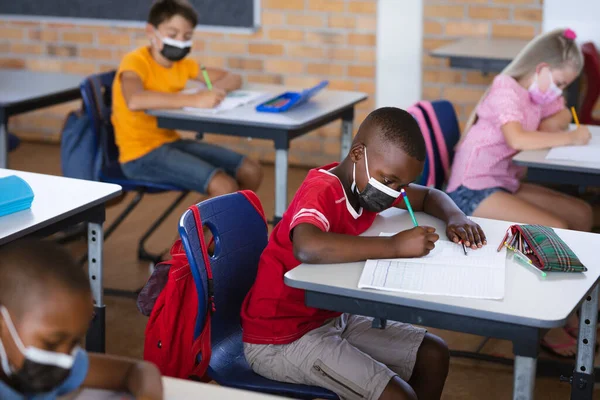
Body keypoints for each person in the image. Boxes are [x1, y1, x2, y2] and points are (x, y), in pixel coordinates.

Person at [241, 107, 487, 400]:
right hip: (282, 337)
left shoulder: (368, 182)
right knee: (399, 397)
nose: (396, 193)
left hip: (331, 318)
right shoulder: (321, 190)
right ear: (358, 153)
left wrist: (456, 217)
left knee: (433, 355)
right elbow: (307, 246)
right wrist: (395, 247)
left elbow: (430, 196)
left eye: (403, 185)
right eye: (391, 181)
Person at [446, 28, 593, 357]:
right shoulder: (506, 89)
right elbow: (518, 140)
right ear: (541, 69)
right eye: (560, 82)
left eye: (566, 86)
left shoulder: (536, 93)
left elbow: (555, 121)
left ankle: (570, 307)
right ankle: (549, 323)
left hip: (503, 182)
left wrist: (551, 106)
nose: (561, 90)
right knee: (561, 230)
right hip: (471, 189)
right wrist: (569, 138)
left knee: (582, 214)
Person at [112, 0, 263, 197]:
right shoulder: (135, 62)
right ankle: (211, 227)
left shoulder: (184, 65)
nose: (180, 41)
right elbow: (134, 100)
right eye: (173, 34)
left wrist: (216, 91)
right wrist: (196, 99)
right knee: (224, 186)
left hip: (170, 142)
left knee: (251, 170)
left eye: (187, 36)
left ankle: (229, 224)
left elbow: (233, 77)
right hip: (139, 155)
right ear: (151, 32)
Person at [0, 240, 163, 400]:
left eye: (74, 343)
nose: (64, 360)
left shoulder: (56, 361)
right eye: (51, 343)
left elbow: (137, 370)